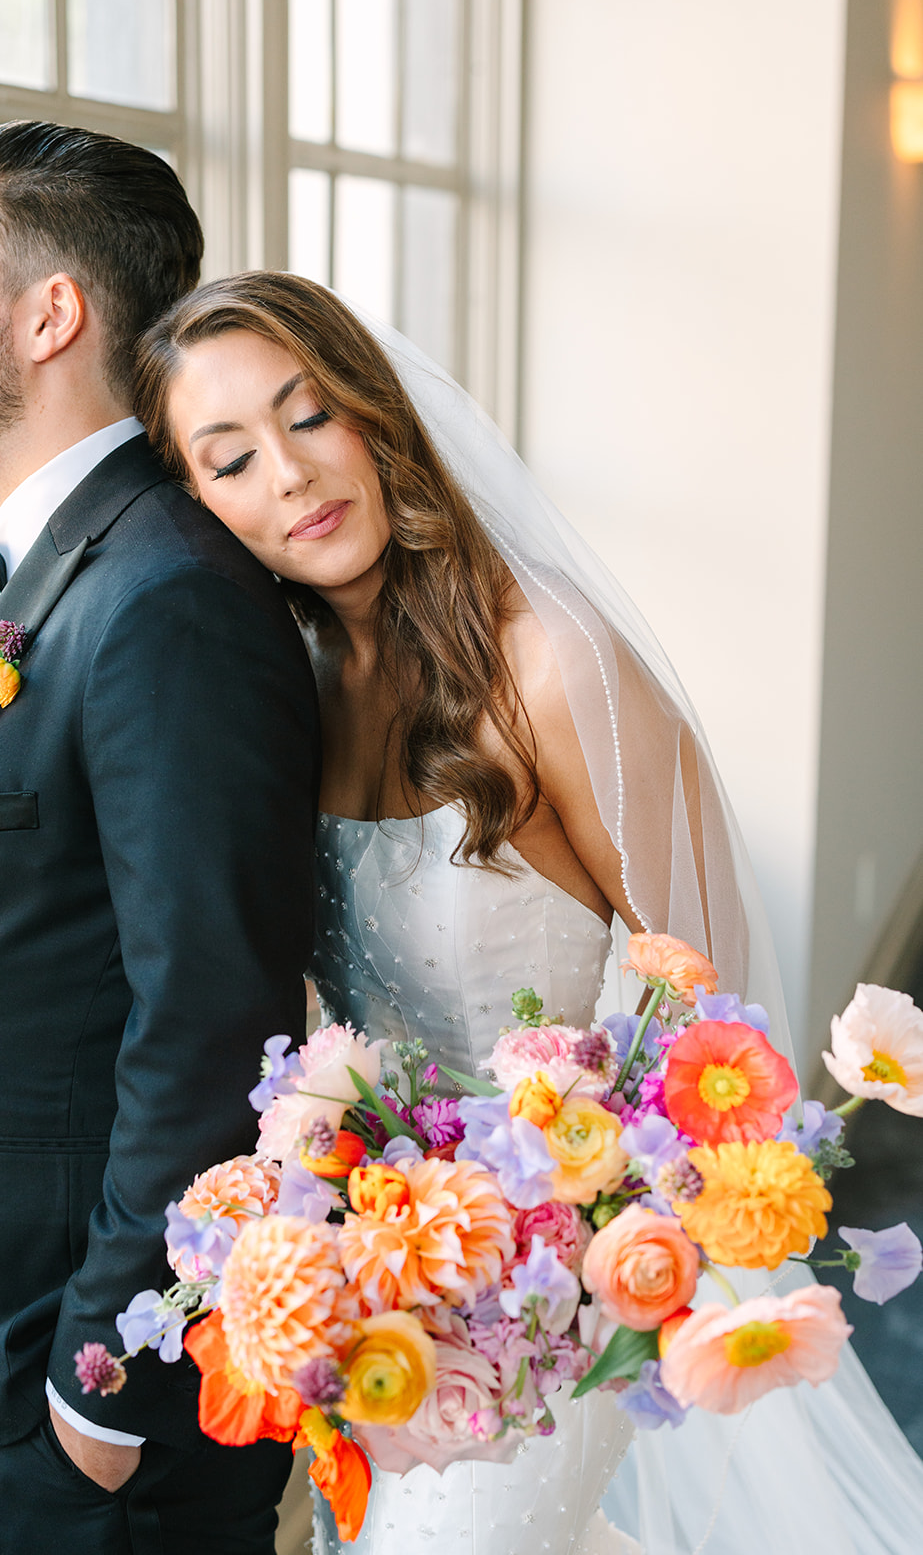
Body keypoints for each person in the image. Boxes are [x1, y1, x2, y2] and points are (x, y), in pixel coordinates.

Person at [134, 270, 923, 1555]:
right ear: (201, 503)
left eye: (308, 416)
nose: (286, 475)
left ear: (374, 413)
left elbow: (709, 1022)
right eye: (229, 459)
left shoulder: (553, 665)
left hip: (560, 1277)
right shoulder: (290, 688)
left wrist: (583, 1243)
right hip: (388, 1281)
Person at [0, 129, 319, 1555]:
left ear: (48, 315)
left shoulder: (165, 596)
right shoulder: (66, 567)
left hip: (78, 1374)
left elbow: (211, 1014)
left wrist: (107, 1377)